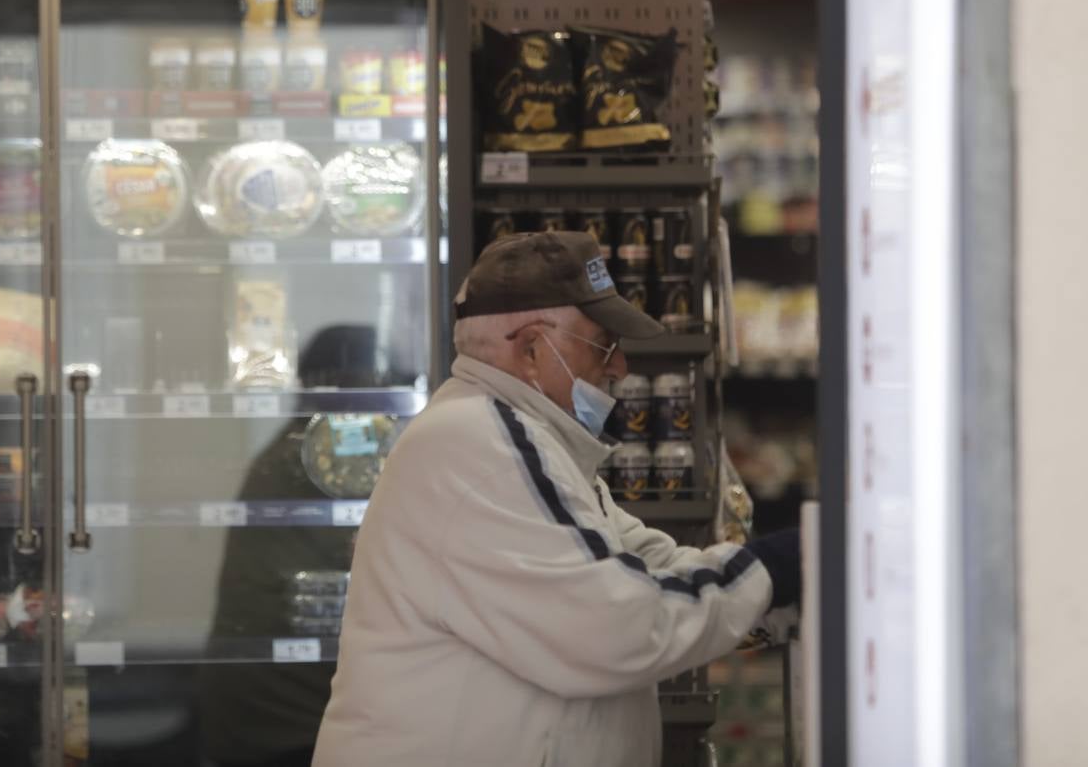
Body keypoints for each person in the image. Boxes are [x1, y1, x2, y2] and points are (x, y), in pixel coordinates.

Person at [312, 231, 801, 767]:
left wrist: (778, 592)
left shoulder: (528, 440)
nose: (620, 368)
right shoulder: (480, 443)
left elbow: (647, 565)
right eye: (604, 345)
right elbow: (616, 628)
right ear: (530, 349)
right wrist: (771, 570)